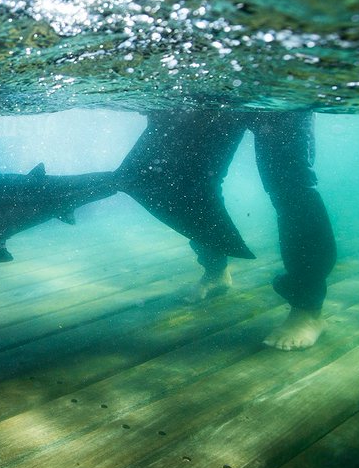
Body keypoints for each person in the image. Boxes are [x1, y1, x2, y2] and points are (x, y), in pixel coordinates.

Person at [116, 109, 336, 350]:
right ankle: (215, 272)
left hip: (274, 88)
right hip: (218, 93)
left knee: (291, 185)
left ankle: (308, 309)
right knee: (193, 178)